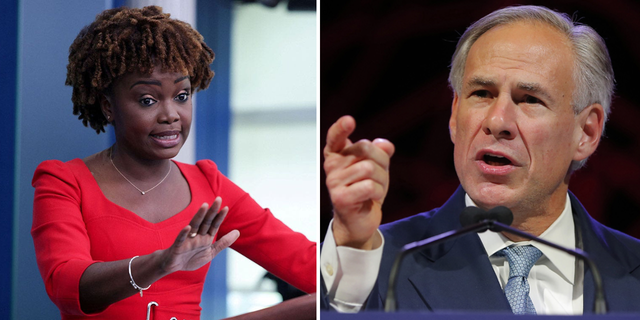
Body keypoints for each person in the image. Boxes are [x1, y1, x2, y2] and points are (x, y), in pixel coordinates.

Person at [320, 5, 640, 315]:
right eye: (482, 94)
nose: (497, 120)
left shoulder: (633, 271)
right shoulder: (378, 261)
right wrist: (351, 247)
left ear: (586, 132)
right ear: (454, 115)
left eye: (530, 99)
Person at [31, 6, 315, 320]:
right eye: (148, 100)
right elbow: (68, 286)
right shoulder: (64, 181)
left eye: (182, 95)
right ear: (108, 106)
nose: (171, 115)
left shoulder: (209, 185)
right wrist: (161, 263)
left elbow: (314, 269)